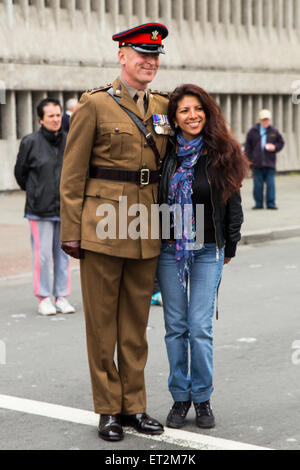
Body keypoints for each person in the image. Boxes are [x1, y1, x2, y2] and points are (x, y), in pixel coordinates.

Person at [59, 23, 171, 442]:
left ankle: (134, 406)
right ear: (122, 55)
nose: (150, 62)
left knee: (135, 325)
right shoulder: (94, 104)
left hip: (146, 226)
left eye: (156, 56)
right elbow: (72, 174)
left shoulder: (163, 105)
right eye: (142, 54)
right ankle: (108, 409)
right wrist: (71, 229)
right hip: (103, 225)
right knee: (102, 324)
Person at [157, 84, 249, 429]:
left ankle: (203, 398)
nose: (192, 115)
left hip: (209, 248)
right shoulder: (166, 154)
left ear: (207, 113)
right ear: (175, 118)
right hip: (170, 249)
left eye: (197, 109)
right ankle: (180, 398)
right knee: (175, 328)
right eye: (184, 110)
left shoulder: (222, 151)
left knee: (199, 327)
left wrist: (231, 245)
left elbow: (233, 204)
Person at [14, 98, 75, 316]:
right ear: (41, 119)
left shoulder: (69, 140)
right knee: (42, 255)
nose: (56, 119)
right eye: (51, 116)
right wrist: (35, 191)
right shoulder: (30, 142)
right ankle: (43, 297)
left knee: (64, 254)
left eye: (58, 115)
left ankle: (61, 296)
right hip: (39, 210)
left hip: (65, 209)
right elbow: (20, 173)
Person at [245, 109, 285, 210]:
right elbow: (248, 147)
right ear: (259, 120)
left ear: (270, 120)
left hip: (270, 162)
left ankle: (271, 203)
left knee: (271, 185)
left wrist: (274, 147)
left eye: (267, 120)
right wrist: (248, 159)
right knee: (257, 185)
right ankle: (258, 204)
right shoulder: (252, 131)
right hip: (256, 163)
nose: (265, 122)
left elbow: (281, 143)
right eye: (263, 120)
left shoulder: (274, 131)